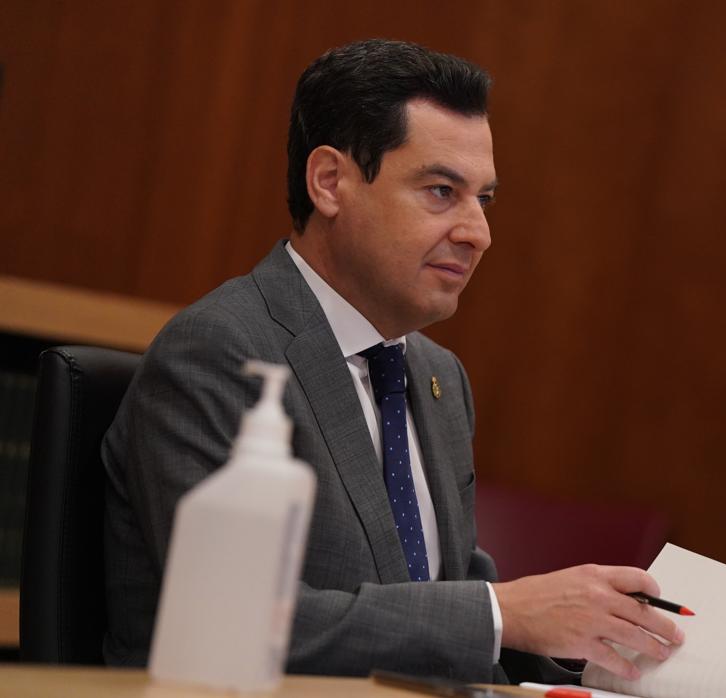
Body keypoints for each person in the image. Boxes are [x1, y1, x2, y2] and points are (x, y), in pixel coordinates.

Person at [101, 39, 683, 684]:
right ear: (330, 182)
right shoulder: (222, 350)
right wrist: (498, 612)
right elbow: (238, 621)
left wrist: (605, 654)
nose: (477, 233)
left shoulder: (438, 378)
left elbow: (454, 593)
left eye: (483, 200)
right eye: (441, 191)